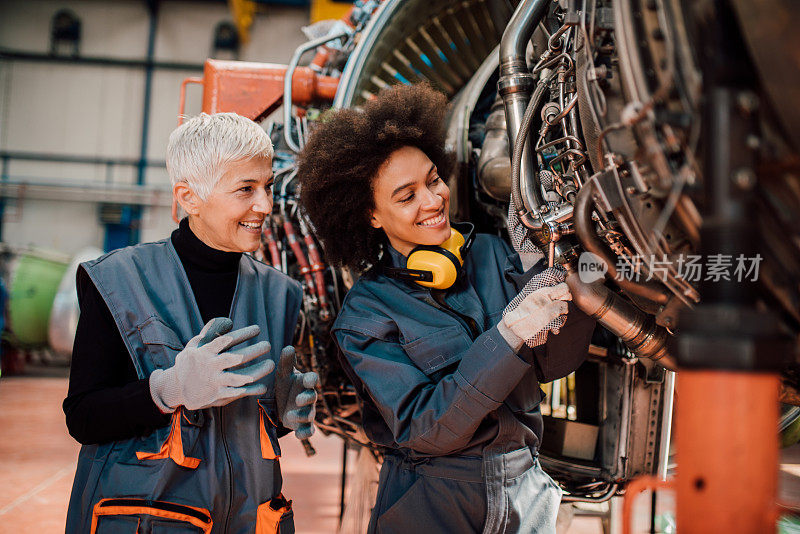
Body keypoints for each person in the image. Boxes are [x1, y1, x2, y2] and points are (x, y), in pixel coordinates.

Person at [297, 83, 595, 533]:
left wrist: (586, 266)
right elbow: (426, 425)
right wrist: (508, 336)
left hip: (525, 493)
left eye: (433, 180)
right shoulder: (366, 314)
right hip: (432, 502)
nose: (433, 200)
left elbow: (556, 362)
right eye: (406, 195)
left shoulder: (493, 255)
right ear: (371, 215)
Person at [63, 112, 318, 534]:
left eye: (268, 186)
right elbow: (84, 417)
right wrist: (168, 390)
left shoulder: (281, 295)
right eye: (245, 189)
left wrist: (281, 418)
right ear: (189, 197)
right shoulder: (118, 281)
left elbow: (238, 434)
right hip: (146, 520)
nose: (265, 205)